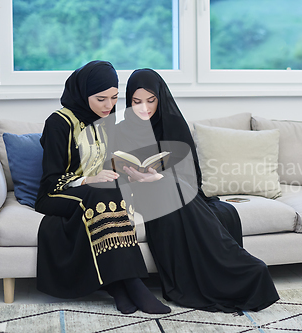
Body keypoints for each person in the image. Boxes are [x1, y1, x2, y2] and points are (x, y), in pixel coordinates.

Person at [111, 68, 279, 312]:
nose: (144, 108)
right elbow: (118, 172)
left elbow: (191, 176)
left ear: (160, 97)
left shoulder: (174, 123)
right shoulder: (122, 129)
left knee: (178, 189)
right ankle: (238, 267)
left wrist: (158, 177)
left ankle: (237, 270)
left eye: (150, 101)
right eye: (136, 102)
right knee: (169, 187)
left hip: (175, 191)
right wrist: (137, 177)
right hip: (142, 196)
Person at [35, 61, 170, 315]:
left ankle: (118, 285)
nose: (109, 106)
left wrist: (133, 172)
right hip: (56, 193)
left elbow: (108, 163)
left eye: (114, 98)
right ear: (83, 94)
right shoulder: (59, 123)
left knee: (112, 189)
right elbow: (51, 180)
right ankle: (131, 283)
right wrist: (87, 180)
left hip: (97, 192)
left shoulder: (105, 120)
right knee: (100, 191)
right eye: (101, 99)